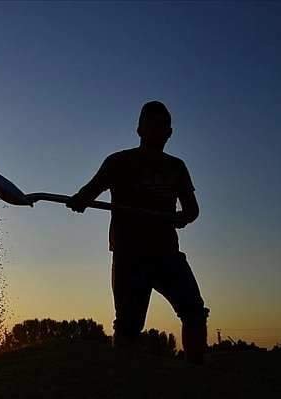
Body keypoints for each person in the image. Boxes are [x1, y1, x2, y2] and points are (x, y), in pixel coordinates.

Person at [66, 100, 209, 364]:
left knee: (194, 312)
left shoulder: (177, 167)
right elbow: (92, 189)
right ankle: (124, 379)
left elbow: (192, 208)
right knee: (128, 328)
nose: (157, 129)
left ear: (170, 132)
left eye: (162, 125)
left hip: (167, 253)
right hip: (130, 255)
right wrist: (80, 199)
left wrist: (184, 217)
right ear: (139, 129)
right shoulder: (119, 162)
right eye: (151, 124)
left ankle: (196, 372)